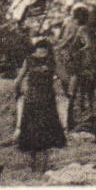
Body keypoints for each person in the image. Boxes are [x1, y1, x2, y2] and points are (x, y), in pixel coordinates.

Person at [14, 39, 68, 171]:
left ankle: (32, 163)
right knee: (46, 131)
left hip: (31, 98)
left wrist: (17, 94)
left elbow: (17, 81)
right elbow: (65, 78)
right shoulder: (52, 61)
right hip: (47, 99)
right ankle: (43, 165)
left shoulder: (28, 60)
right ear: (48, 50)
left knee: (30, 129)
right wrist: (66, 91)